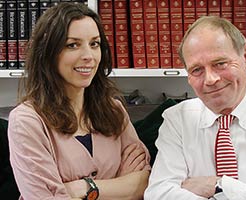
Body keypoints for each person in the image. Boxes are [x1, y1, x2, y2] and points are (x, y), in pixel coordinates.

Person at [144, 16, 246, 199]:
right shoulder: (177, 121)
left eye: (220, 64)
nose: (210, 79)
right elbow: (159, 194)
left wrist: (218, 186)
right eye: (197, 70)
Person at [8, 2, 150, 200]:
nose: (88, 56)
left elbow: (145, 185)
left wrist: (84, 188)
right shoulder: (26, 122)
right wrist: (120, 187)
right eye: (72, 45)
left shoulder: (114, 110)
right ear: (48, 53)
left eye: (95, 44)